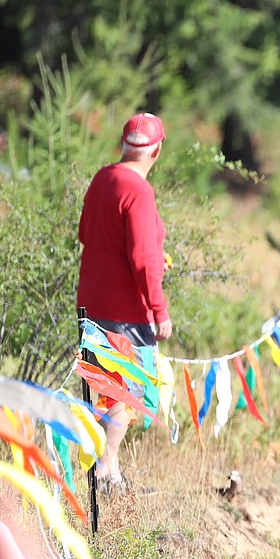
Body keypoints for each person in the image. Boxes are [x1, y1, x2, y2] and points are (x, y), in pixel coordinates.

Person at [76, 112, 173, 493]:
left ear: (122, 145)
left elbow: (86, 233)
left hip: (91, 300)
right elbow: (142, 260)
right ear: (157, 150)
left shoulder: (103, 178)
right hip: (125, 309)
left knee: (107, 384)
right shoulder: (139, 191)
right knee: (125, 389)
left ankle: (110, 472)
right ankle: (103, 470)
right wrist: (159, 311)